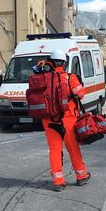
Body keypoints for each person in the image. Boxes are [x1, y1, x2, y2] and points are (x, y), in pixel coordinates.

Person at [38, 49, 91, 192]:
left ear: (51, 61)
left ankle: (58, 181)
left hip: (49, 119)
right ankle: (81, 176)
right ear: (64, 62)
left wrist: (44, 65)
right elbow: (81, 94)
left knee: (54, 149)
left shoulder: (44, 76)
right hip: (68, 119)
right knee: (73, 148)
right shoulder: (69, 77)